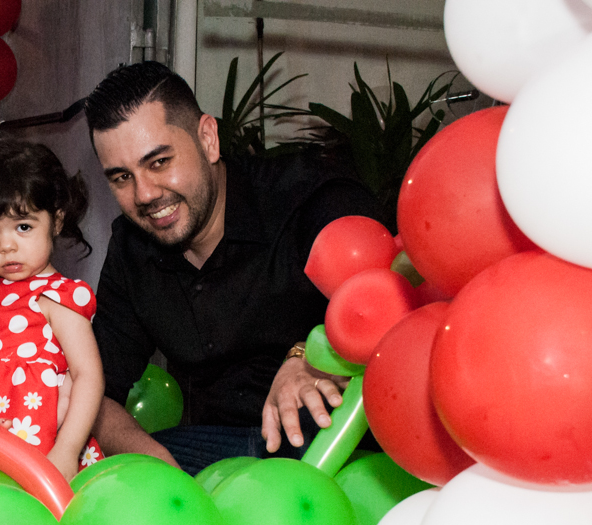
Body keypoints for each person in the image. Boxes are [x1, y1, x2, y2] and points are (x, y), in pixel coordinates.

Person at [83, 61, 383, 474]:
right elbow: (95, 391)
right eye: (121, 177)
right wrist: (156, 470)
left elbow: (390, 296)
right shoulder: (130, 250)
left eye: (158, 162)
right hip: (217, 453)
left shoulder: (311, 199)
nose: (145, 194)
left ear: (207, 139)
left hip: (337, 451)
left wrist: (308, 356)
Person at [0, 138, 104, 480]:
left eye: (23, 227)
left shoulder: (58, 296)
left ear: (56, 222)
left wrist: (67, 450)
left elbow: (88, 376)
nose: (6, 245)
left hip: (39, 447)